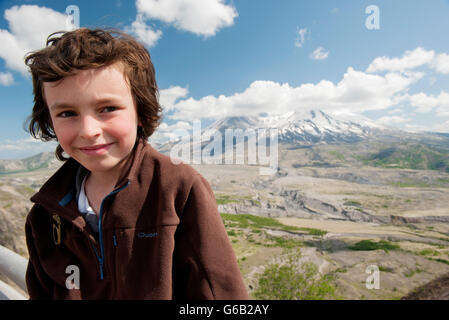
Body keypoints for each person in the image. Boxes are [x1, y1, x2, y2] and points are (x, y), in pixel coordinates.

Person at [23, 28, 248, 300]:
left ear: (140, 111)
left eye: (107, 108)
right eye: (67, 113)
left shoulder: (178, 189)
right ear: (50, 120)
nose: (89, 130)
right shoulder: (45, 215)